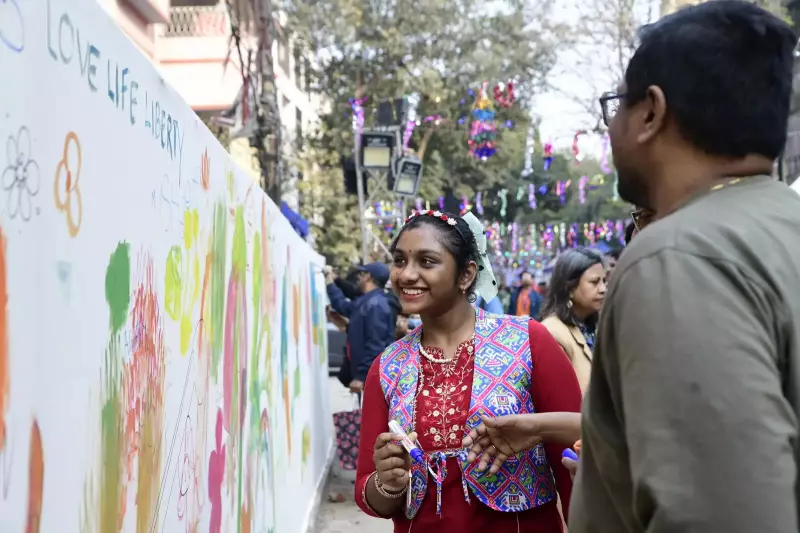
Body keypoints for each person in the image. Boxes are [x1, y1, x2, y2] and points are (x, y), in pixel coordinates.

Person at [571, 2, 800, 532]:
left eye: (616, 105)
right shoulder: (781, 226)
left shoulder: (676, 258)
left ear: (650, 111)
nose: (612, 126)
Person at [355, 210, 582, 533]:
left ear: (465, 275)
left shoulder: (527, 341)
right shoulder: (387, 367)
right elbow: (371, 496)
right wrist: (389, 481)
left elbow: (576, 453)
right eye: (400, 260)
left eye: (426, 261)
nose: (406, 274)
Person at [540, 249, 607, 393]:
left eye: (604, 281)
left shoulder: (595, 327)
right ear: (569, 287)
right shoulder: (553, 333)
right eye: (594, 282)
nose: (603, 289)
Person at [327, 263, 398, 394]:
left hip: (374, 378)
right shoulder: (366, 302)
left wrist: (361, 376)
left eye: (361, 274)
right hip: (369, 377)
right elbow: (344, 307)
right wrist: (331, 285)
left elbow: (376, 345)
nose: (358, 278)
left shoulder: (376, 305)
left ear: (368, 277)